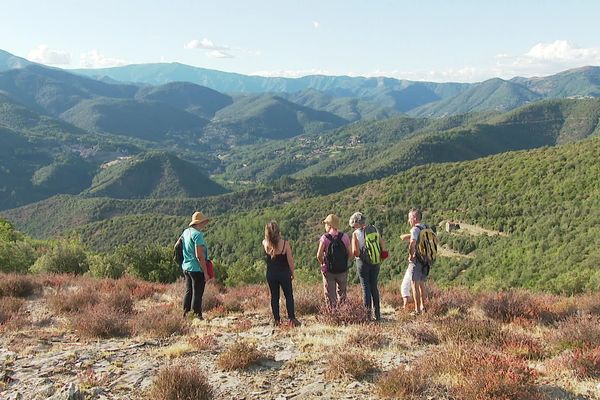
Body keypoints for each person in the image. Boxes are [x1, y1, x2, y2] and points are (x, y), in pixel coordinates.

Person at [263, 221, 300, 327]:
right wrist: (292, 272)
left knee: (274, 297)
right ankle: (292, 319)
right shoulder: (285, 244)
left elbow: (266, 243)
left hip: (271, 274)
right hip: (284, 273)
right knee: (289, 295)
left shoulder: (265, 244)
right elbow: (290, 260)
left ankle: (277, 320)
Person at [350, 212, 386, 321]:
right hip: (375, 262)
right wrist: (381, 257)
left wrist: (360, 255)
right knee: (374, 286)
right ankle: (378, 314)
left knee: (366, 287)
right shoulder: (374, 229)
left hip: (362, 263)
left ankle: (367, 315)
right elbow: (382, 243)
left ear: (356, 223)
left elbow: (355, 252)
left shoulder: (355, 234)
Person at [179, 211, 211, 319]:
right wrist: (205, 272)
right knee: (197, 294)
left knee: (188, 292)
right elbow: (199, 256)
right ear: (199, 223)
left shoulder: (186, 232)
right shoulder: (198, 235)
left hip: (186, 267)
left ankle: (185, 315)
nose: (204, 225)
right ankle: (196, 316)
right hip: (196, 268)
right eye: (203, 223)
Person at [317, 214, 352, 308]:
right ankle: (343, 312)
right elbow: (351, 253)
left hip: (329, 270)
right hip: (342, 270)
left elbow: (318, 255)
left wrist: (323, 264)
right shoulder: (344, 237)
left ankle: (333, 315)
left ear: (329, 225)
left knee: (330, 294)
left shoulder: (325, 238)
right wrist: (345, 262)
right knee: (342, 293)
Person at [406, 208, 428, 315]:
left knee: (414, 284)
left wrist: (411, 255)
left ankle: (417, 310)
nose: (409, 220)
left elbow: (412, 243)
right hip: (426, 260)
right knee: (422, 285)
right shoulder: (425, 227)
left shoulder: (415, 229)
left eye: (410, 218)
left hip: (417, 260)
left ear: (415, 218)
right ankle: (423, 307)